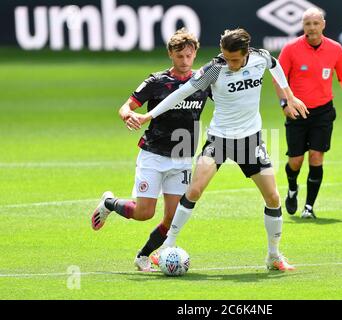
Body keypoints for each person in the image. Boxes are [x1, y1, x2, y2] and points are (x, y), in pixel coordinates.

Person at [134, 28, 309, 271]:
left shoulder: (260, 58)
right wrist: (148, 115)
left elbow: (275, 65)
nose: (230, 63)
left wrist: (289, 97)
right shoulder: (214, 69)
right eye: (226, 57)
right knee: (194, 190)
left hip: (250, 140)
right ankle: (167, 247)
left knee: (273, 198)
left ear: (246, 52)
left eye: (235, 59)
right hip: (219, 139)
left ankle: (273, 256)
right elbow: (181, 93)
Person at [90, 28, 211, 272]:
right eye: (180, 56)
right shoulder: (157, 81)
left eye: (189, 56)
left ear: (195, 53)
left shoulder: (203, 81)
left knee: (172, 218)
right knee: (144, 213)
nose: (185, 61)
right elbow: (126, 106)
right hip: (154, 155)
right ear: (170, 54)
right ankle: (109, 203)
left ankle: (143, 255)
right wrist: (128, 116)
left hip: (183, 158)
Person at [274, 7, 342, 219]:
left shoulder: (335, 49)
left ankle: (309, 208)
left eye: (315, 23)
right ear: (303, 26)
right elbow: (278, 79)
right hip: (297, 111)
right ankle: (292, 188)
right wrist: (285, 104)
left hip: (323, 112)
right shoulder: (291, 49)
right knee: (295, 161)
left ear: (323, 25)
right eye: (307, 24)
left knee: (316, 156)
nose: (311, 28)